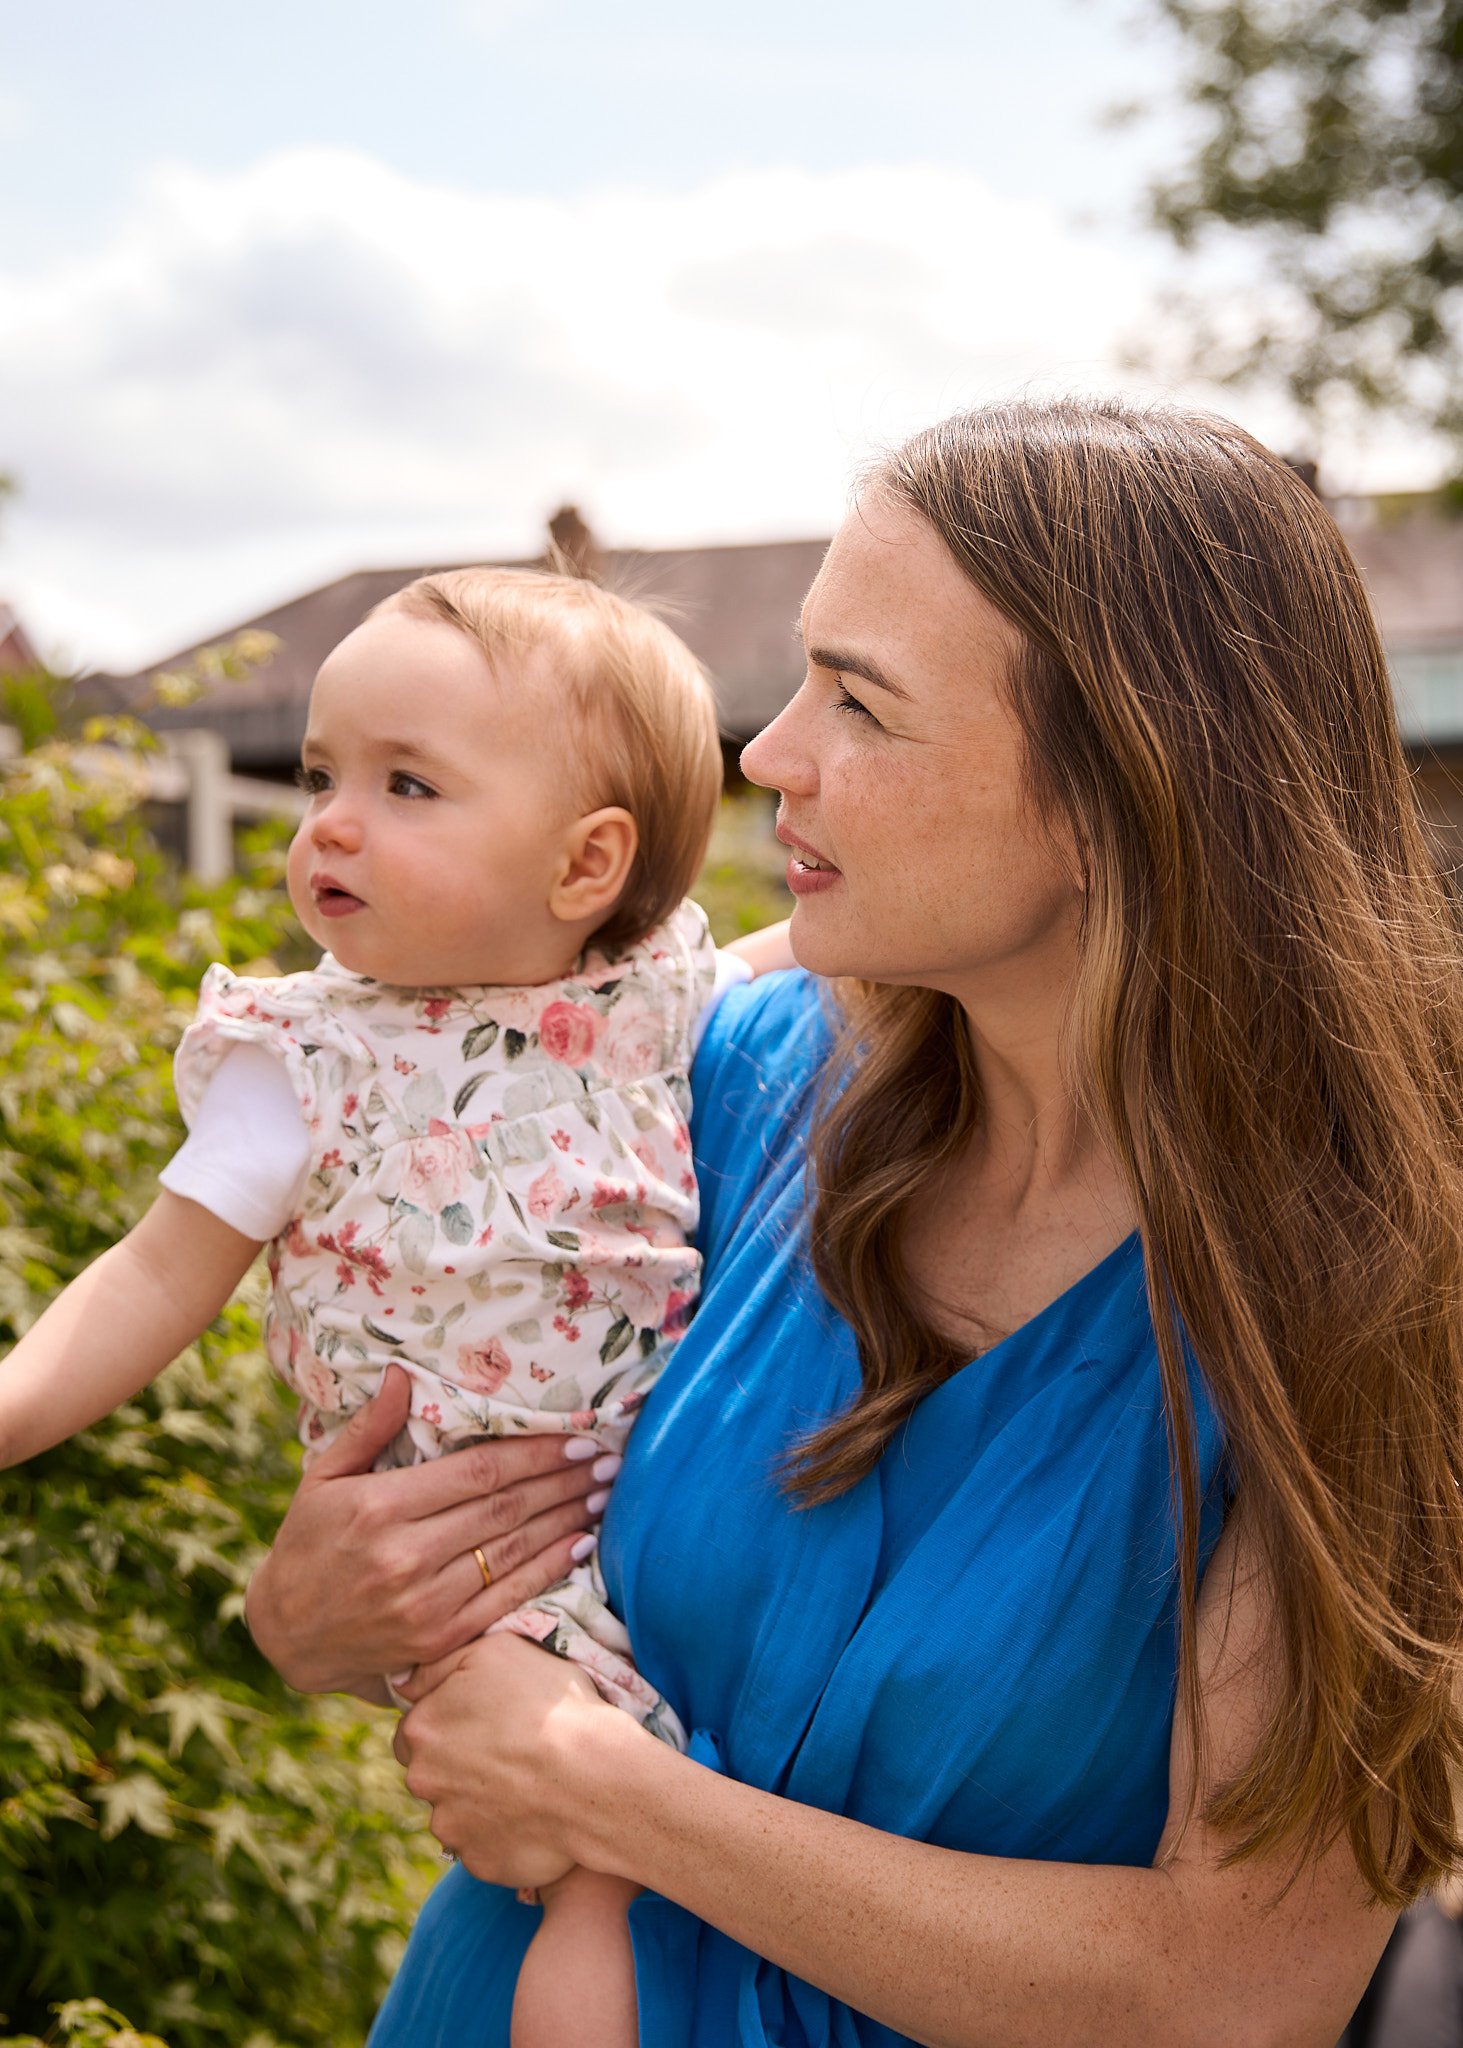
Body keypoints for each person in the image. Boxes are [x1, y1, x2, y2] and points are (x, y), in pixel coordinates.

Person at [244, 397, 1463, 2047]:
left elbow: (1240, 1993)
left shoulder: (1370, 1290)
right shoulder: (716, 1094)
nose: (768, 754)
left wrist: (620, 1798)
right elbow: (434, 1462)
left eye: (861, 704)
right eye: (804, 671)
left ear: (1120, 793)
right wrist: (314, 1608)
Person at [0, 565, 790, 2048]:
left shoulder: (647, 1008)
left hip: (666, 1531)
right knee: (591, 1875)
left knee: (634, 1847)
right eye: (320, 776)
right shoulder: (298, 1063)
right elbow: (155, 1271)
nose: (330, 825)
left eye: (406, 784)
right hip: (483, 1571)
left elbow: (813, 950)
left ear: (585, 866)